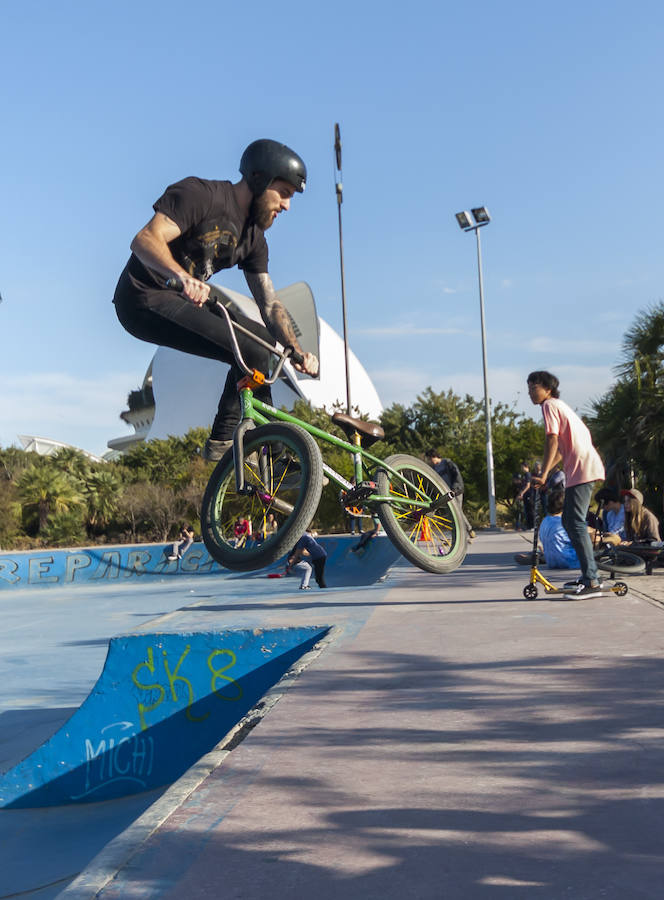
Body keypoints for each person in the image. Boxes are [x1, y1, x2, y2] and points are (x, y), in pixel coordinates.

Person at [113, 139, 319, 462]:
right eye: (284, 193)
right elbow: (144, 240)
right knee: (251, 347)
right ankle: (227, 441)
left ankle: (275, 453)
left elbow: (269, 304)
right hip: (142, 298)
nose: (287, 206)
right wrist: (181, 277)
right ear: (259, 180)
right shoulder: (201, 196)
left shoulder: (253, 238)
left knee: (262, 343)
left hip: (183, 299)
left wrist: (295, 350)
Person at [527, 370, 606, 600]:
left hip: (582, 466)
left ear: (548, 389)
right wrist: (547, 474)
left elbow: (551, 440)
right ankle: (587, 576)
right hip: (579, 467)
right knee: (568, 520)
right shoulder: (559, 406)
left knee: (575, 521)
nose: (531, 392)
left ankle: (592, 580)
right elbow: (560, 450)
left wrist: (542, 474)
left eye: (535, 387)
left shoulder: (549, 405)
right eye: (529, 387)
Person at [424, 449, 476, 539]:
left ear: (434, 456)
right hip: (446, 494)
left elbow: (457, 475)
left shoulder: (447, 463)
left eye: (430, 459)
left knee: (457, 513)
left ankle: (463, 535)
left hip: (455, 491)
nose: (430, 461)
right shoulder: (435, 468)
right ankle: (468, 530)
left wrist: (455, 489)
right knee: (454, 513)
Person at [537, 490, 580, 569]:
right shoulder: (564, 522)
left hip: (551, 562)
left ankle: (540, 557)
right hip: (569, 561)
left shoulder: (544, 521)